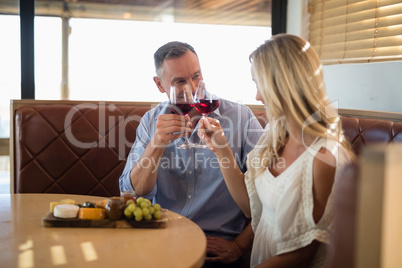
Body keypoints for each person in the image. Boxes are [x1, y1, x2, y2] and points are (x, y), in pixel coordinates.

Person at [197, 34, 355, 267]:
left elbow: (300, 255)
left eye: (259, 84)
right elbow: (249, 206)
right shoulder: (275, 133)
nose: (257, 96)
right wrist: (221, 150)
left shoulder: (326, 157)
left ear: (283, 85)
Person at [119, 41, 263, 267]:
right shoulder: (150, 122)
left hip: (214, 249)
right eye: (180, 81)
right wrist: (157, 143)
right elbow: (132, 192)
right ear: (159, 84)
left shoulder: (241, 118)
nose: (192, 89)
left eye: (196, 76)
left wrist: (239, 246)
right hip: (161, 241)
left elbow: (268, 199)